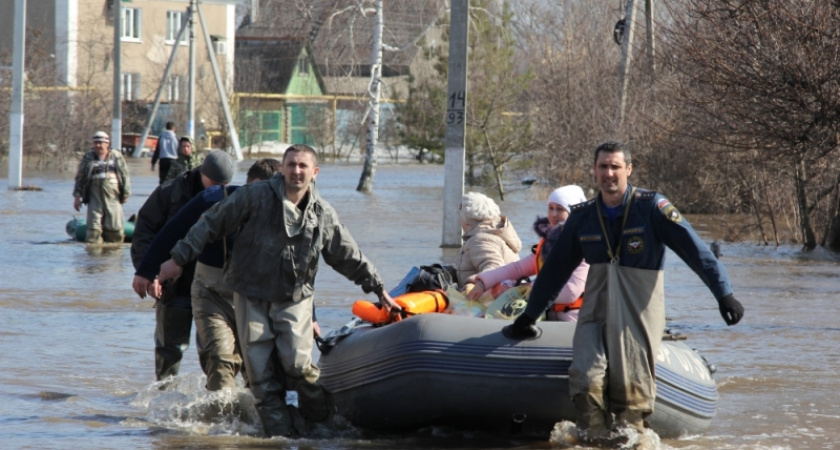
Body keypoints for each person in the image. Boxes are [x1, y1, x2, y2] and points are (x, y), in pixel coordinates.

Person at [503, 141, 744, 441]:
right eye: (603, 166)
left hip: (637, 312)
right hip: (595, 313)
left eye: (615, 166)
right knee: (585, 383)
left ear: (628, 169)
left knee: (631, 397)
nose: (609, 173)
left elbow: (695, 252)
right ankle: (593, 440)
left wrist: (724, 294)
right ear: (594, 170)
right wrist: (530, 314)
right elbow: (555, 272)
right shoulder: (582, 217)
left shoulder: (652, 208)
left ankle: (633, 441)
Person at [158, 144, 399, 438]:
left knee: (298, 366)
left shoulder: (322, 213)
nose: (296, 171)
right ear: (283, 168)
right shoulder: (254, 197)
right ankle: (279, 438)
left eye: (303, 166)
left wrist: (379, 289)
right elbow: (210, 223)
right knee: (260, 377)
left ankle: (323, 428)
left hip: (294, 297)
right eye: (291, 165)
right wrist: (177, 259)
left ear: (315, 173)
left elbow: (347, 255)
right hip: (251, 294)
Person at [133, 159, 281, 391]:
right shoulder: (213, 197)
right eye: (264, 191)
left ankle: (251, 416)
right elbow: (171, 232)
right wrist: (145, 271)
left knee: (256, 363)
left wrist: (309, 315)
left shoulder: (282, 208)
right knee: (218, 359)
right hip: (205, 288)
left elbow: (297, 265)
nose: (269, 199)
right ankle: (211, 417)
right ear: (250, 185)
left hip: (248, 294)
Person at [131, 150, 235, 382]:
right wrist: (150, 273)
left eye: (224, 184)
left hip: (211, 286)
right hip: (174, 284)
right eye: (214, 183)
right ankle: (163, 401)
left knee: (215, 351)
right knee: (170, 349)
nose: (218, 188)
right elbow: (144, 233)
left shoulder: (231, 196)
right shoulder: (170, 193)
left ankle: (213, 402)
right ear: (202, 173)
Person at [466, 185, 589, 322]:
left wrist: (529, 288)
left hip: (574, 317)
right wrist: (483, 283)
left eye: (560, 209)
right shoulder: (547, 245)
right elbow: (517, 268)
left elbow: (570, 293)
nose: (553, 214)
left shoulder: (582, 246)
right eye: (551, 208)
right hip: (549, 312)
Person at [72, 131, 131, 244]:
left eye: (101, 143)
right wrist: (77, 197)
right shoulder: (88, 157)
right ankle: (93, 254)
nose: (98, 145)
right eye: (96, 143)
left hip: (113, 195)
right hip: (94, 194)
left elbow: (125, 174)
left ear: (107, 143)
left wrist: (126, 192)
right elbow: (80, 177)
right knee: (94, 227)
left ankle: (113, 253)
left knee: (115, 227)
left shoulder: (116, 156)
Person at [456, 191, 522, 289]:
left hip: (492, 300)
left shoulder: (481, 240)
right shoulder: (494, 233)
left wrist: (473, 285)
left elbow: (494, 268)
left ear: (467, 221)